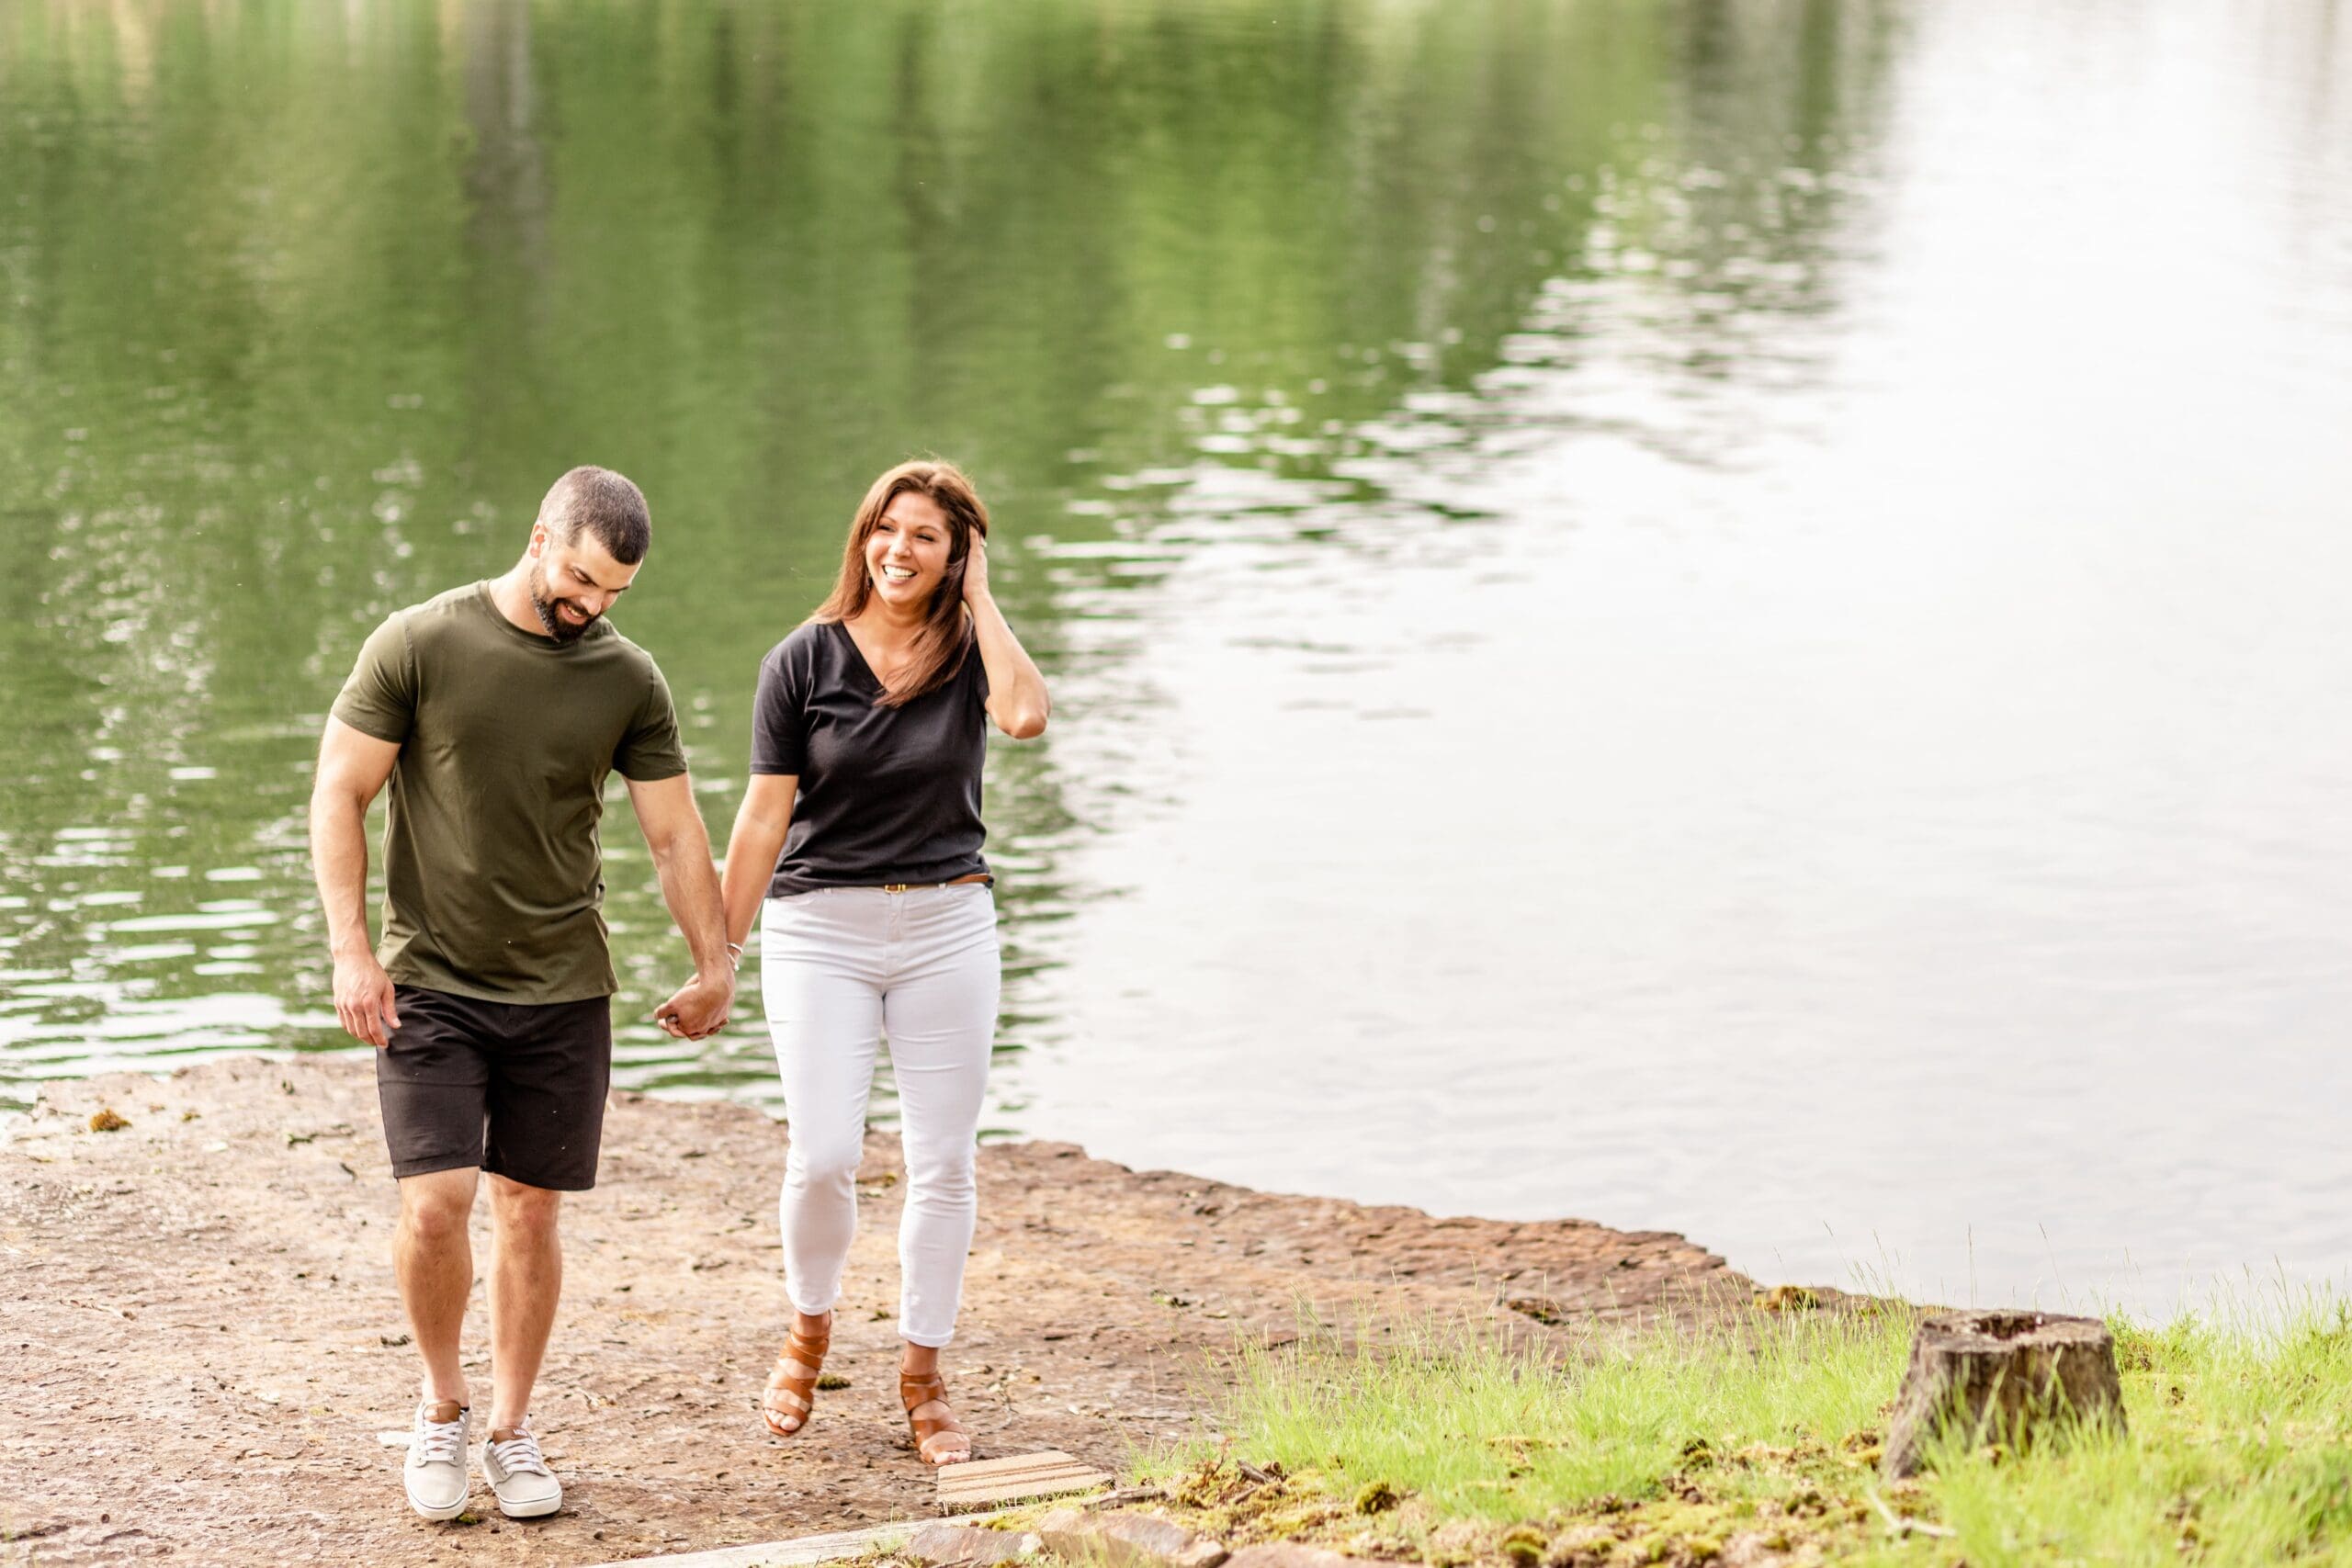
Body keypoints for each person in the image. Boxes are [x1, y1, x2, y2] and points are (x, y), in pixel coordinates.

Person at [309, 466, 734, 1522]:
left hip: (562, 985)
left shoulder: (627, 678)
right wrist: (351, 952)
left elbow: (673, 832)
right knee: (437, 1203)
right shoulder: (418, 642)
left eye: (613, 595)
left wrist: (716, 958)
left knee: (532, 1211)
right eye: (581, 581)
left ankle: (511, 1428)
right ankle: (442, 1406)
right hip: (432, 978)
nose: (590, 608)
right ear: (541, 536)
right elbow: (340, 792)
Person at [715, 458, 1049, 1466]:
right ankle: (807, 1334)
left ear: (958, 558)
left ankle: (923, 1378)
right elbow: (763, 816)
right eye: (886, 529)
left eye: (927, 539)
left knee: (943, 1165)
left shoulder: (972, 654)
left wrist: (983, 601)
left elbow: (1027, 716)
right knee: (822, 1156)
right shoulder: (802, 661)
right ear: (863, 534)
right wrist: (719, 954)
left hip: (949, 926)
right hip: (819, 930)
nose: (899, 550)